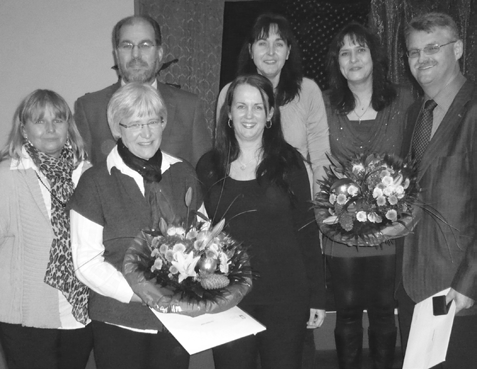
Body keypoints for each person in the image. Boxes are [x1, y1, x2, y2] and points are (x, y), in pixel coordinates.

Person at [70, 82, 202, 369]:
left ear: (163, 123)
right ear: (118, 129)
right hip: (119, 322)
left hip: (176, 323)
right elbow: (86, 262)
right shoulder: (95, 182)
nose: (146, 133)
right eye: (135, 124)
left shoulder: (183, 173)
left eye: (153, 121)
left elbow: (203, 240)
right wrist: (144, 294)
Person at [197, 74, 326, 369]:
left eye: (258, 107)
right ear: (228, 113)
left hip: (285, 297)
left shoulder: (289, 163)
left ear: (270, 114)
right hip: (228, 298)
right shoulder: (208, 167)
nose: (249, 115)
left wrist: (317, 295)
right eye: (241, 106)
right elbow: (199, 237)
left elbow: (306, 231)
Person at [322, 23, 414, 368]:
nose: (353, 58)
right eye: (344, 53)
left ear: (374, 56)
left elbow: (415, 161)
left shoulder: (403, 100)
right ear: (337, 63)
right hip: (340, 229)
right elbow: (315, 163)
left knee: (382, 313)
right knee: (345, 312)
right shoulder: (326, 104)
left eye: (360, 50)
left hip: (390, 229)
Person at [396, 12, 477, 368]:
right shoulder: (416, 113)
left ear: (458, 48)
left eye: (433, 48)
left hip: (458, 289)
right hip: (411, 284)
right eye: (414, 52)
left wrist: (469, 283)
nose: (421, 58)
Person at [0, 90, 92, 369]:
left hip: (79, 309)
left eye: (58, 119)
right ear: (24, 128)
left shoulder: (86, 173)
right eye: (40, 121)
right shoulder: (8, 174)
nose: (50, 129)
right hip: (26, 312)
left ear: (69, 126)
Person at [74, 15, 212, 166]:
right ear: (117, 54)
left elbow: (204, 175)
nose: (135, 54)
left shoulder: (189, 107)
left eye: (145, 45)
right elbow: (78, 177)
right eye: (127, 46)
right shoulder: (90, 108)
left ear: (159, 53)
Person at [216, 13, 329, 193]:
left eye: (279, 44)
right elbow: (224, 153)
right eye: (262, 43)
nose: (271, 51)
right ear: (251, 51)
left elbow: (321, 161)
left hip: (296, 195)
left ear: (288, 52)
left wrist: (321, 212)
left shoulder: (309, 91)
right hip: (246, 194)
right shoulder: (230, 93)